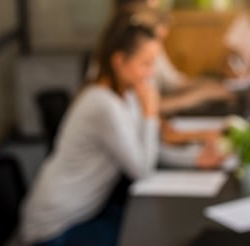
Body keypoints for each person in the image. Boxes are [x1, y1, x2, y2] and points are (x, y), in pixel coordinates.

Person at [22, 12, 162, 246]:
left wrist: (196, 159)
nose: (152, 72)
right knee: (147, 235)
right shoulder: (102, 104)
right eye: (145, 64)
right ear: (119, 61)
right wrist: (150, 114)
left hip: (84, 213)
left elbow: (144, 147)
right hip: (54, 230)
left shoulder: (124, 95)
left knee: (144, 224)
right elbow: (142, 170)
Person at [109, 0, 232, 114]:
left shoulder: (151, 45)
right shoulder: (126, 53)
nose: (158, 15)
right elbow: (146, 107)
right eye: (152, 10)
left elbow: (172, 83)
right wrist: (199, 95)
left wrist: (211, 85)